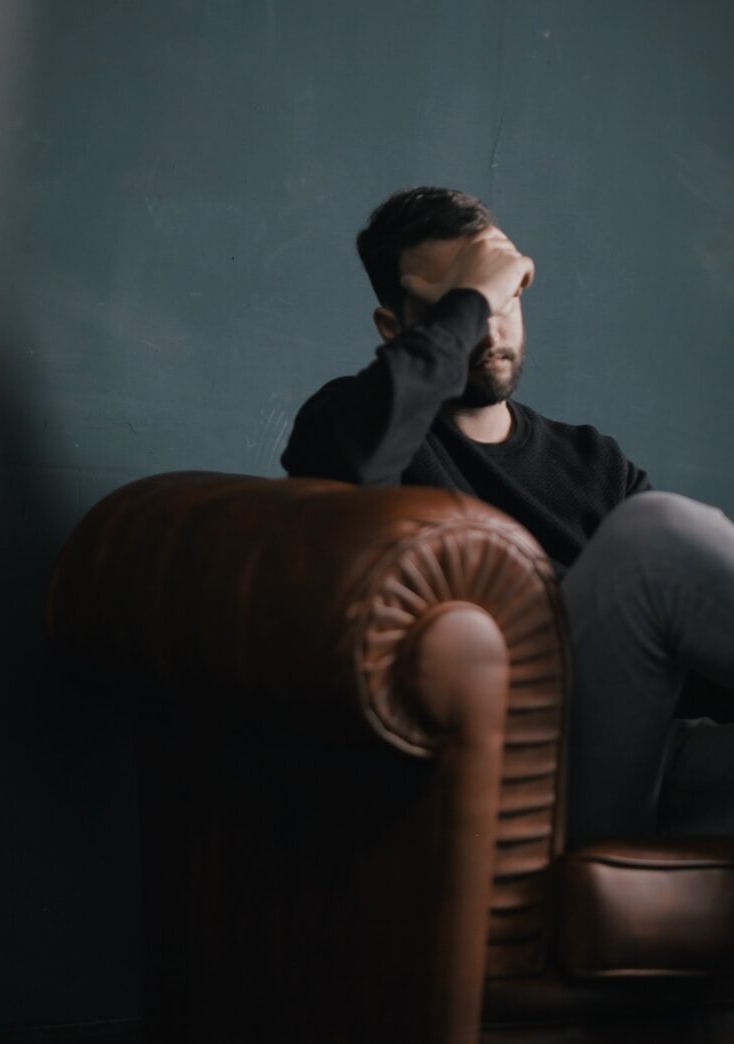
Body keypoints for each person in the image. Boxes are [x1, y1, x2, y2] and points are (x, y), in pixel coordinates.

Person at [281, 186, 734, 843]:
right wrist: (472, 297)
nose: (492, 326)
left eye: (507, 298)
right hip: (524, 781)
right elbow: (351, 467)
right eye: (467, 305)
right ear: (396, 327)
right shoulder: (354, 424)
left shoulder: (591, 461)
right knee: (654, 534)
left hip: (649, 767)